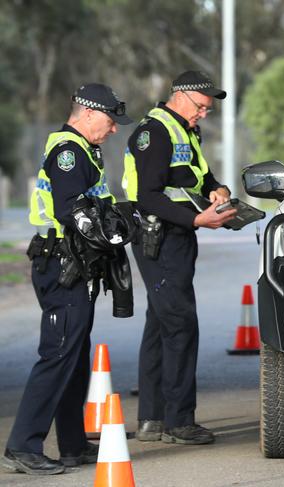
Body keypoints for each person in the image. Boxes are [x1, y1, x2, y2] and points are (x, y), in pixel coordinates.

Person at [2, 84, 132, 476]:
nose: (113, 130)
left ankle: (73, 445)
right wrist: (110, 232)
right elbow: (72, 210)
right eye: (110, 122)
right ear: (89, 114)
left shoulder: (82, 150)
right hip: (62, 264)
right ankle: (22, 446)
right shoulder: (68, 152)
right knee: (58, 354)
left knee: (74, 355)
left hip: (72, 263)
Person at [122, 70, 236, 446]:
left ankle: (152, 419)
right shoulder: (153, 132)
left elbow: (197, 177)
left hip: (178, 236)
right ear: (181, 96)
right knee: (181, 323)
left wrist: (217, 190)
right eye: (201, 107)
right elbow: (148, 197)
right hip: (159, 237)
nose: (204, 114)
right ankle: (179, 421)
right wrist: (196, 218)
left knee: (160, 322)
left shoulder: (185, 131)